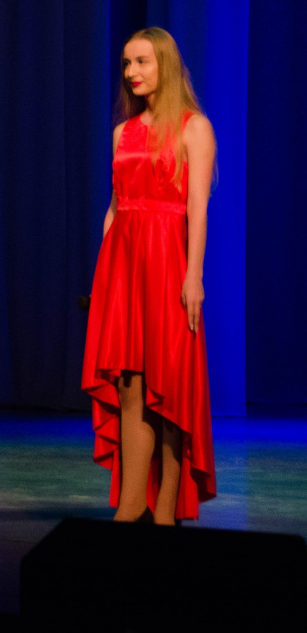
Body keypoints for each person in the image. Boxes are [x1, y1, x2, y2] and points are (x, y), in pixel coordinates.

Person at [82, 27, 216, 524]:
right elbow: (115, 208)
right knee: (129, 383)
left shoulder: (193, 128)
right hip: (123, 266)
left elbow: (197, 209)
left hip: (167, 261)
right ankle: (130, 504)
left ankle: (165, 509)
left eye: (141, 62)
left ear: (165, 64)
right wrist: (103, 277)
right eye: (126, 63)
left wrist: (194, 276)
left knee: (170, 383)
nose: (131, 72)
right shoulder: (123, 133)